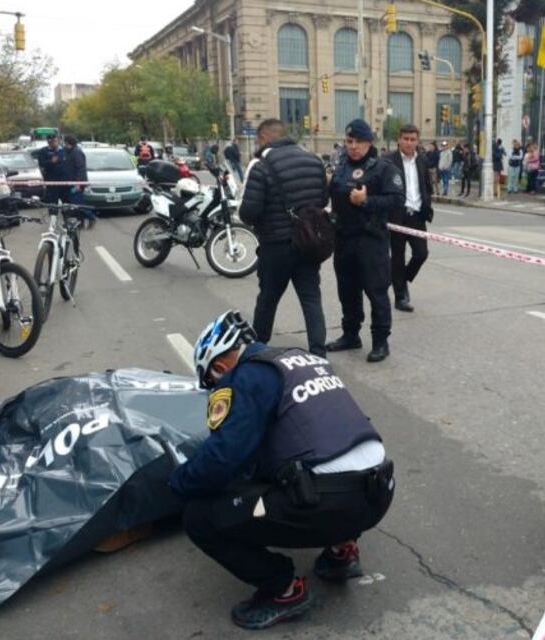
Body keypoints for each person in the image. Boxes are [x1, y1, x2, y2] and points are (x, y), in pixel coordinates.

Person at [174, 310, 394, 631]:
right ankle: (342, 551)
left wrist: (178, 484)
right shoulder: (299, 359)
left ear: (220, 367)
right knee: (302, 464)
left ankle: (283, 590)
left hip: (334, 502)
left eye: (211, 382)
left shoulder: (248, 376)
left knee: (199, 517)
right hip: (379, 490)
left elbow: (222, 460)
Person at [239, 119, 329, 357]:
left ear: (264, 138)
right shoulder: (314, 161)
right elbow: (323, 201)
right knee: (311, 300)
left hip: (275, 246)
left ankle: (257, 352)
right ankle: (319, 355)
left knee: (268, 300)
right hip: (308, 242)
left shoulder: (260, 166)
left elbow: (249, 213)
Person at [327, 118, 403, 363]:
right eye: (349, 141)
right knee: (347, 291)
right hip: (344, 239)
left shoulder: (383, 168)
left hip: (371, 240)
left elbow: (396, 201)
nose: (353, 146)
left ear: (369, 142)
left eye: (358, 141)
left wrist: (367, 201)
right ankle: (351, 335)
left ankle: (381, 341)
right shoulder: (340, 166)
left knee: (376, 292)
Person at [384, 123, 433, 313]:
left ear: (417, 141)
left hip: (417, 215)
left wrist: (427, 204)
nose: (409, 143)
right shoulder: (388, 161)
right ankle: (401, 296)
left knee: (421, 254)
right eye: (405, 139)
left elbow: (426, 185)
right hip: (397, 216)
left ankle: (401, 279)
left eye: (413, 139)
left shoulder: (422, 160)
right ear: (399, 140)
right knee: (397, 256)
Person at [37, 134, 69, 205]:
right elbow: (41, 163)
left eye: (55, 141)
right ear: (48, 142)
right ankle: (53, 215)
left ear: (59, 141)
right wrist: (51, 162)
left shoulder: (64, 150)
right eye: (51, 142)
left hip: (64, 181)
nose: (54, 143)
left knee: (66, 202)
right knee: (52, 202)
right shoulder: (43, 151)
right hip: (51, 181)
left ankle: (67, 215)